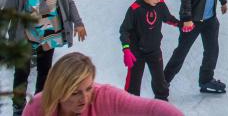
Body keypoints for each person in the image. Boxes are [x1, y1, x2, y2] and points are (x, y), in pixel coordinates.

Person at [3, 0, 86, 115]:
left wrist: (79, 23)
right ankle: (18, 108)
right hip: (25, 38)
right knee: (21, 73)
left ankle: (38, 105)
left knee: (44, 72)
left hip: (48, 37)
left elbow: (69, 3)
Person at [22, 52, 183, 116]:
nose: (85, 98)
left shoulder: (103, 97)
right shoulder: (36, 107)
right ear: (58, 89)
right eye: (75, 92)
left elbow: (150, 108)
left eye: (88, 88)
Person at [120, 0, 181, 101]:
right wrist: (126, 49)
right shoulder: (135, 9)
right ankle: (130, 104)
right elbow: (124, 30)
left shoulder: (160, 5)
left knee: (160, 80)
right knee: (133, 82)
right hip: (136, 53)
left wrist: (181, 24)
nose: (159, 0)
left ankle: (162, 100)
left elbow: (168, 18)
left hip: (154, 50)